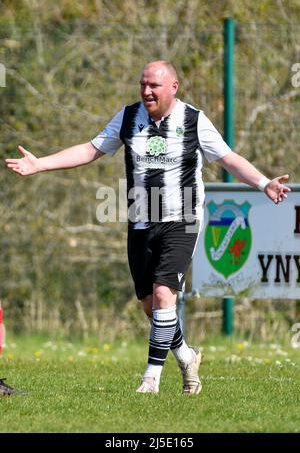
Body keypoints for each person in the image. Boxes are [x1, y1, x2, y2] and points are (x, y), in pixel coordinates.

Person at [5, 60, 290, 395]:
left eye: (154, 85)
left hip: (182, 220)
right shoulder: (128, 116)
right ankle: (186, 355)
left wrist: (262, 183)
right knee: (150, 306)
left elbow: (228, 158)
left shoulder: (194, 120)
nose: (146, 91)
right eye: (142, 84)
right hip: (141, 221)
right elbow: (91, 149)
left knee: (163, 293)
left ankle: (150, 378)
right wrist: (41, 164)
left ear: (174, 86)